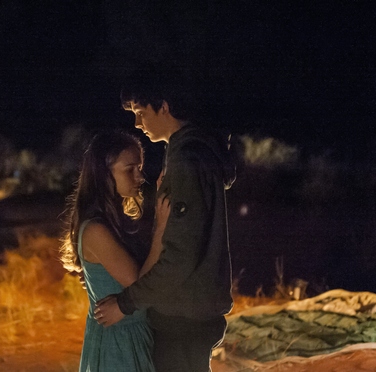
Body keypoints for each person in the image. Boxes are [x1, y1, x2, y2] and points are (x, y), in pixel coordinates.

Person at [94, 64, 236, 371]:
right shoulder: (194, 153)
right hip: (193, 311)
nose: (137, 123)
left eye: (141, 112)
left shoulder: (186, 159)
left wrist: (125, 304)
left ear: (164, 107)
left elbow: (181, 255)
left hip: (182, 316)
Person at [60, 131, 170, 372]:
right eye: (129, 169)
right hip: (119, 342)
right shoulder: (96, 230)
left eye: (139, 167)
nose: (140, 176)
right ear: (103, 174)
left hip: (129, 333)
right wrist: (161, 227)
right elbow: (139, 283)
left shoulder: (113, 222)